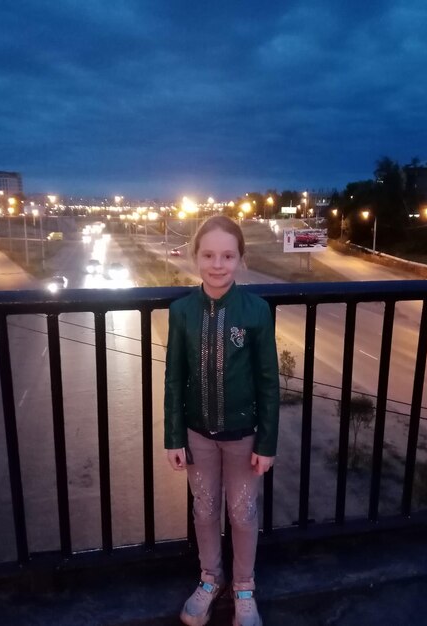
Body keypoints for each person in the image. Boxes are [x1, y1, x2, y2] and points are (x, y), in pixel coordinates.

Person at [164, 215, 279, 626]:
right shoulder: (181, 312)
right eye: (209, 255)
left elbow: (269, 382)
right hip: (197, 437)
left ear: (240, 259)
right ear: (195, 257)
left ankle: (244, 587)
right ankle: (211, 578)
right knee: (205, 509)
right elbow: (174, 378)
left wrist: (267, 443)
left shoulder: (256, 311)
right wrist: (173, 437)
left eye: (227, 255)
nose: (218, 264)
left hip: (244, 438)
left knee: (243, 512)